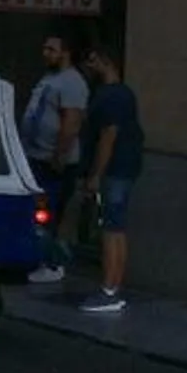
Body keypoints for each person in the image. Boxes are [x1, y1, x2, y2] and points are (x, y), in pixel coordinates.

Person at [77, 47, 145, 314]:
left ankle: (109, 288)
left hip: (115, 169)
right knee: (116, 227)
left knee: (110, 228)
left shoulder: (111, 96)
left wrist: (95, 173)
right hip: (124, 167)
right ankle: (112, 286)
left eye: (93, 61)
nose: (89, 67)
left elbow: (109, 135)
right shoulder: (124, 94)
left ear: (106, 62)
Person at [20, 30, 88, 283]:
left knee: (49, 212)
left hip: (54, 160)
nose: (45, 53)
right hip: (36, 154)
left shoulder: (72, 82)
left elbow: (71, 123)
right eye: (45, 48)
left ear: (65, 53)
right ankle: (37, 258)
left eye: (51, 49)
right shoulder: (50, 78)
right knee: (36, 211)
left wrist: (59, 156)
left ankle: (52, 263)